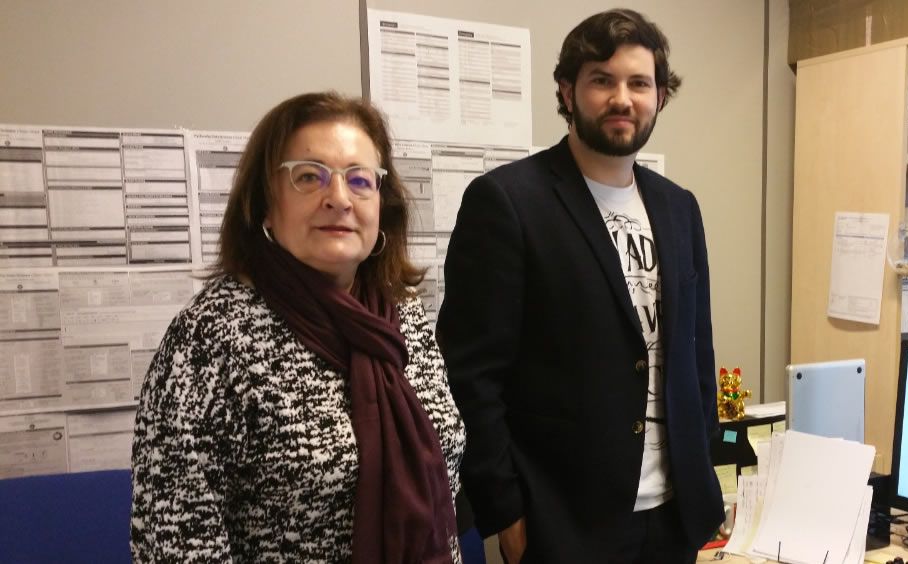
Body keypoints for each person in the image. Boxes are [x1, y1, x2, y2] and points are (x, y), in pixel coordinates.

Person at [437, 9, 722, 563]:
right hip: (566, 522)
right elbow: (471, 375)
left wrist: (705, 464)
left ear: (660, 96)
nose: (622, 98)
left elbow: (696, 349)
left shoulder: (679, 207)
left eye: (639, 83)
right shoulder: (508, 202)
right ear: (568, 92)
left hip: (674, 516)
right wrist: (505, 509)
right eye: (601, 80)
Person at [130, 92, 465, 563]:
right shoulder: (209, 338)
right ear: (265, 205)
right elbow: (174, 543)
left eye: (359, 179)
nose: (339, 199)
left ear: (381, 204)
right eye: (309, 176)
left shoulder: (402, 316)